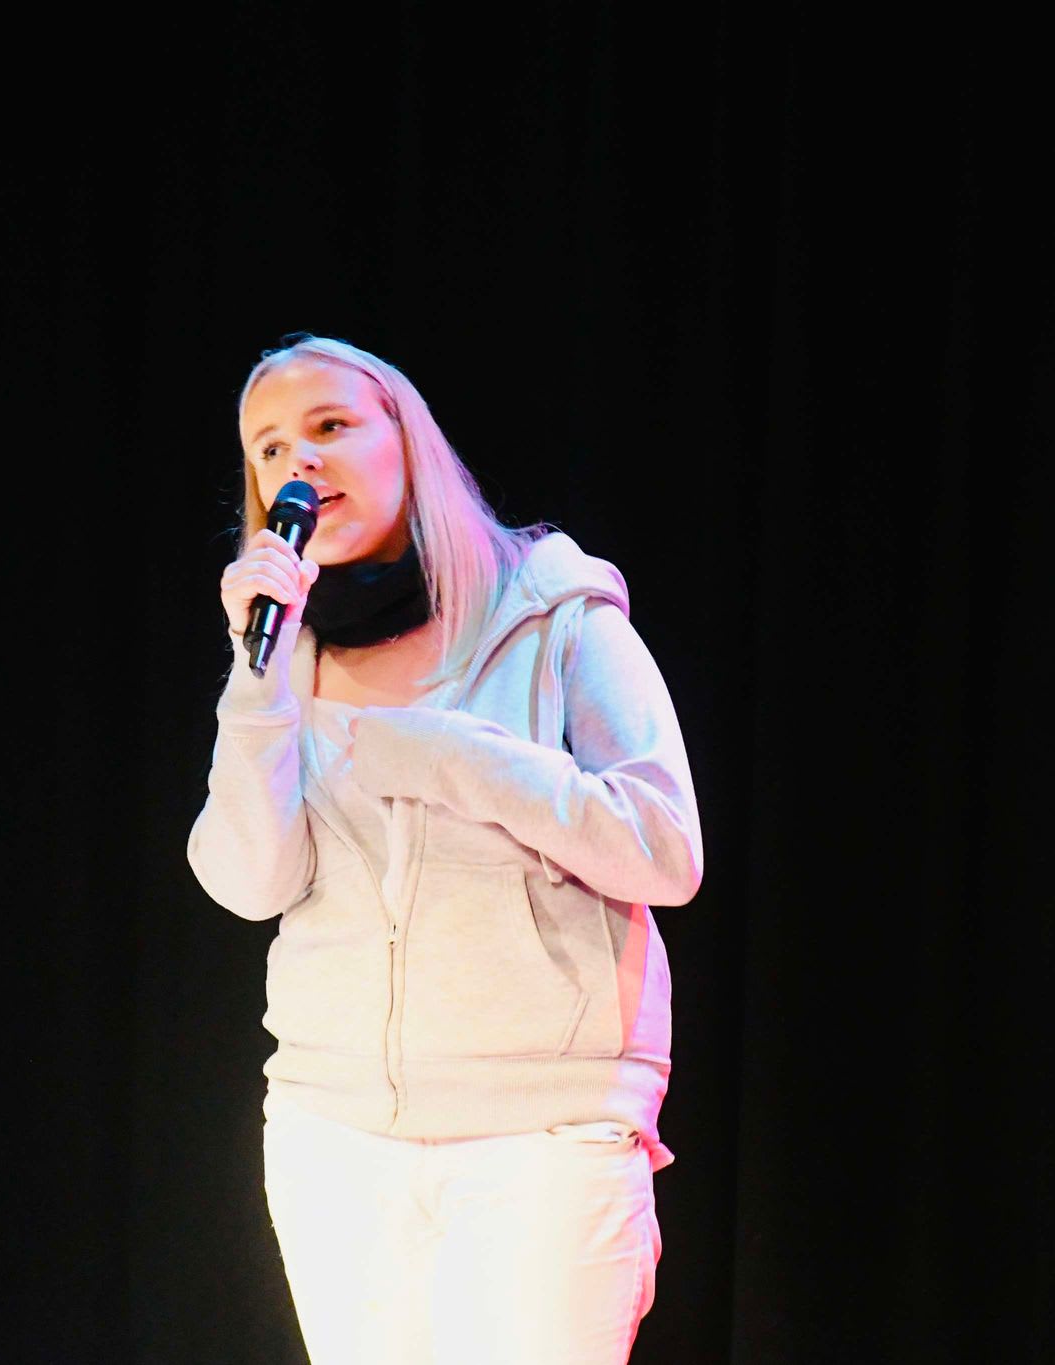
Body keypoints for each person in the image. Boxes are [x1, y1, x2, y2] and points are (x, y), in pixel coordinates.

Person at [187, 335, 704, 1365]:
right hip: (335, 1130)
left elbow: (663, 847)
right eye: (270, 447)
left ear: (406, 441)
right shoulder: (285, 651)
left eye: (330, 425)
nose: (300, 461)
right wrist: (256, 685)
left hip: (543, 1133)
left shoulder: (551, 609)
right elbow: (247, 882)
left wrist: (455, 758)